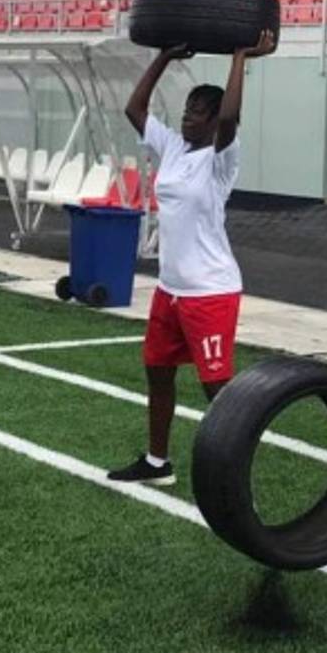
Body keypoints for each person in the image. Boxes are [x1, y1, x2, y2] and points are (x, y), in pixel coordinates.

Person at [107, 29, 276, 486]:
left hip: (210, 291)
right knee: (157, 371)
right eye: (186, 111)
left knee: (217, 389)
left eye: (197, 114)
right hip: (171, 290)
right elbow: (134, 110)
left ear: (213, 119)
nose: (187, 120)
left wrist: (240, 55)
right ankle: (158, 463)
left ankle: (235, 475)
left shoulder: (221, 159)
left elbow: (232, 118)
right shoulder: (174, 147)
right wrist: (163, 55)